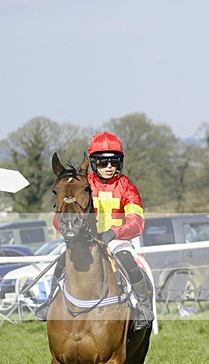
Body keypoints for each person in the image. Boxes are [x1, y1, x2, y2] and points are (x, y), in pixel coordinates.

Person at [35, 132, 154, 329]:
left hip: (117, 239)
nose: (109, 167)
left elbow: (136, 221)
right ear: (93, 163)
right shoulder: (84, 184)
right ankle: (50, 302)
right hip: (87, 239)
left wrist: (114, 232)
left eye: (114, 162)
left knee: (126, 258)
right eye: (102, 162)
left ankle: (143, 307)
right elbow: (62, 215)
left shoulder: (127, 187)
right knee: (63, 259)